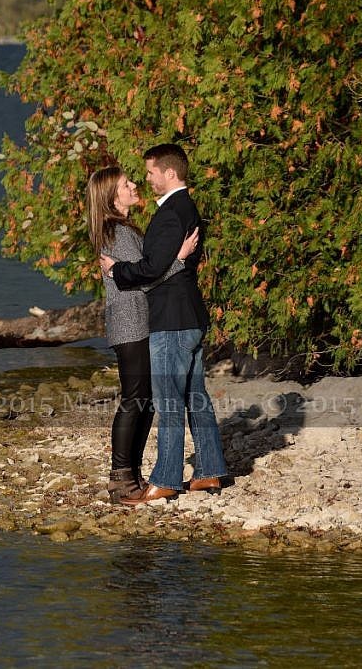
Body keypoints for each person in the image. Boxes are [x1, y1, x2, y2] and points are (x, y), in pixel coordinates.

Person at [100, 144, 228, 505]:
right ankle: (209, 471)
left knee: (168, 401)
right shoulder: (178, 210)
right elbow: (158, 267)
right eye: (131, 181)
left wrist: (117, 270)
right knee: (194, 397)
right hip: (183, 316)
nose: (144, 180)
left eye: (149, 172)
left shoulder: (171, 213)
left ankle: (167, 479)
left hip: (170, 319)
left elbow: (150, 271)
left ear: (169, 173)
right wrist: (179, 259)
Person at [87, 165, 197, 503]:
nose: (134, 185)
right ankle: (120, 478)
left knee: (143, 399)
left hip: (135, 322)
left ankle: (131, 474)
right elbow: (145, 277)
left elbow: (141, 274)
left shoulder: (121, 230)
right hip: (130, 323)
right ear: (112, 196)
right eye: (125, 184)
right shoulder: (117, 233)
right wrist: (179, 258)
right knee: (135, 398)